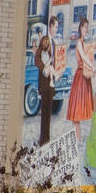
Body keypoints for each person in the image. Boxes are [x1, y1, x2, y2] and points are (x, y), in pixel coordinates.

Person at [65, 17, 95, 141]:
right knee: (76, 109)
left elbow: (89, 54)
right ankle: (76, 138)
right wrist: (92, 66)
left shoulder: (86, 42)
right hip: (80, 77)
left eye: (87, 28)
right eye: (84, 27)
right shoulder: (79, 42)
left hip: (85, 76)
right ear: (80, 28)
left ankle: (77, 137)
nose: (85, 30)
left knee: (81, 109)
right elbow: (83, 57)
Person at [33, 16, 58, 145]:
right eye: (55, 27)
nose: (56, 29)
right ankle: (43, 140)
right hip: (44, 82)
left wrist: (54, 70)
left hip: (51, 83)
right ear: (50, 26)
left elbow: (54, 61)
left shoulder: (53, 42)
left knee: (48, 113)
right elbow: (37, 59)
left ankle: (46, 139)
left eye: (57, 27)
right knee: (44, 112)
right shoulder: (44, 40)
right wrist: (44, 70)